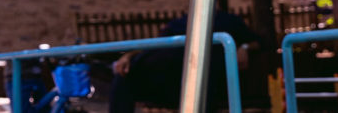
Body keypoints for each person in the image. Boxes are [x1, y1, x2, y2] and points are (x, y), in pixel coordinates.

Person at [109, 10, 260, 113]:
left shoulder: (227, 21)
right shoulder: (180, 23)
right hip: (163, 74)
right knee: (123, 76)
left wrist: (244, 47)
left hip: (200, 75)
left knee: (199, 69)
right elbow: (154, 44)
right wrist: (127, 56)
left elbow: (257, 42)